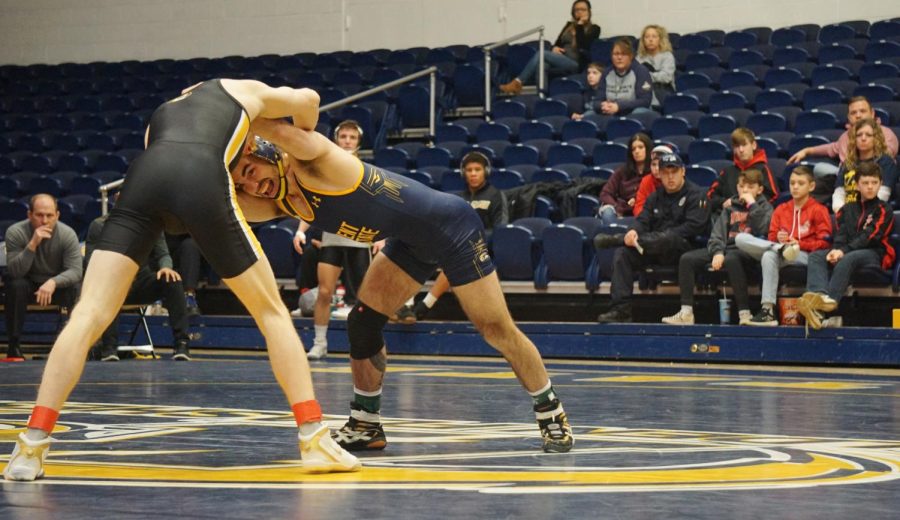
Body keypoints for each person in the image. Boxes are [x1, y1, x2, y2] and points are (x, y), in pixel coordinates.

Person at [3, 79, 361, 482]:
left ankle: (30, 446)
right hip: (199, 175)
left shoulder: (163, 113)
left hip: (142, 178)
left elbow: (172, 198)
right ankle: (313, 436)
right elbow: (309, 100)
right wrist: (300, 138)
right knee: (271, 312)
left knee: (88, 313)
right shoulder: (242, 90)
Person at [229, 117, 574, 455]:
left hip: (453, 228)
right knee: (362, 322)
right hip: (410, 240)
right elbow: (219, 203)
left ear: (264, 152)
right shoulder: (279, 201)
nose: (253, 186)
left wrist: (228, 106)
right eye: (243, 183)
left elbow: (279, 123)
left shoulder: (315, 162)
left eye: (251, 171)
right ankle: (365, 424)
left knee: (496, 329)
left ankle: (551, 412)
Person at [296, 120, 380, 360]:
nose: (347, 141)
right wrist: (301, 230)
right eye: (343, 136)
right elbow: (314, 204)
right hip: (332, 238)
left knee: (364, 299)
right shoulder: (324, 171)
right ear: (336, 139)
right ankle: (320, 342)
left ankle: (365, 345)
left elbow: (376, 207)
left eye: (352, 138)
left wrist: (380, 235)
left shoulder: (366, 170)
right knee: (324, 292)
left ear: (359, 142)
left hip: (359, 240)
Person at [594, 153, 710, 323]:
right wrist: (633, 231)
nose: (670, 177)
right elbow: (642, 220)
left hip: (684, 251)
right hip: (653, 248)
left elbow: (693, 228)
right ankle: (621, 310)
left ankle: (616, 238)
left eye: (674, 172)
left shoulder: (696, 195)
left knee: (669, 237)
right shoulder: (655, 197)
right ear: (659, 174)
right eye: (665, 173)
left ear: (683, 172)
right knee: (623, 253)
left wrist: (656, 237)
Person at [395, 151, 509, 323]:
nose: (473, 173)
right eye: (469, 170)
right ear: (464, 173)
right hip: (450, 245)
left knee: (457, 257)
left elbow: (501, 229)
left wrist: (472, 239)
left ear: (485, 172)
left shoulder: (495, 195)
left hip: (481, 250)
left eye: (477, 169)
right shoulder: (457, 198)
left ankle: (424, 306)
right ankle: (407, 305)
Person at [662, 169, 773, 325]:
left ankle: (744, 313)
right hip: (725, 249)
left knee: (732, 258)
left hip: (748, 253)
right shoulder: (730, 207)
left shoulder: (765, 207)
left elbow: (763, 229)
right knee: (687, 259)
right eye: (742, 187)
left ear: (760, 189)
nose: (745, 190)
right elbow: (717, 234)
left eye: (750, 187)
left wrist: (752, 205)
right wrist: (717, 252)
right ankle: (686, 312)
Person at [797, 162, 895, 330]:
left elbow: (870, 236)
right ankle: (818, 297)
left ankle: (827, 305)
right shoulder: (846, 209)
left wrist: (843, 251)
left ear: (880, 184)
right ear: (857, 185)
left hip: (874, 253)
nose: (870, 187)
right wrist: (836, 250)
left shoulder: (884, 209)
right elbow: (841, 234)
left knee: (849, 257)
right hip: (847, 251)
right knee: (817, 256)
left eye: (874, 183)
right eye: (865, 183)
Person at [734, 166, 832, 326]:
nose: (795, 187)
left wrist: (799, 243)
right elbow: (771, 236)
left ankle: (767, 311)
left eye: (800, 183)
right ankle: (768, 312)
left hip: (804, 255)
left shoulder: (819, 210)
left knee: (769, 254)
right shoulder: (781, 209)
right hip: (781, 251)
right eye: (792, 183)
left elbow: (825, 243)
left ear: (811, 186)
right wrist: (778, 240)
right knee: (741, 239)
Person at [86, 215, 191, 362]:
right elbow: (90, 262)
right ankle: (109, 348)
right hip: (112, 282)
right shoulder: (99, 225)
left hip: (140, 281)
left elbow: (163, 254)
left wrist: (166, 267)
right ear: (117, 199)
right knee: (110, 287)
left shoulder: (151, 223)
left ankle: (182, 344)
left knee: (172, 279)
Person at [3, 194, 82, 362]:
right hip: (28, 283)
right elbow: (16, 271)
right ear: (29, 215)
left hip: (55, 285)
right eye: (39, 215)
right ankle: (14, 344)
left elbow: (75, 271)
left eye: (49, 215)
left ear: (57, 215)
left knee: (75, 287)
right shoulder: (16, 232)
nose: (44, 221)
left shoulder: (67, 234)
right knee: (15, 284)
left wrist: (54, 281)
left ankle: (73, 344)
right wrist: (32, 244)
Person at [499, 0, 600, 94]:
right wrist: (554, 48)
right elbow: (557, 43)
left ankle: (518, 82)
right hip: (561, 59)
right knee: (542, 64)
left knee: (541, 54)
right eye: (577, 10)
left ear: (589, 12)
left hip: (576, 63)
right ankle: (542, 95)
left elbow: (584, 46)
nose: (579, 12)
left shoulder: (594, 29)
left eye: (583, 9)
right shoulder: (569, 26)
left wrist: (580, 26)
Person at [787, 96, 899, 181]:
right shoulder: (845, 137)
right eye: (853, 113)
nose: (858, 115)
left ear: (872, 113)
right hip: (846, 185)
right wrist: (807, 151)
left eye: (862, 111)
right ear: (849, 117)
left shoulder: (886, 134)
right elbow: (831, 148)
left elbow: (885, 161)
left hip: (875, 183)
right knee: (818, 172)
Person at [831, 117, 897, 213]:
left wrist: (859, 214)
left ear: (876, 138)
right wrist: (842, 213)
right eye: (859, 135)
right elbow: (839, 193)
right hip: (847, 213)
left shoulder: (885, 162)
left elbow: (883, 194)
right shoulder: (848, 163)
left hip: (874, 214)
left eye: (869, 135)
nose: (863, 138)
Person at [707, 127, 779, 216]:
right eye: (737, 146)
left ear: (753, 145)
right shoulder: (727, 172)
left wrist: (742, 204)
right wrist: (724, 202)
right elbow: (710, 196)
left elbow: (773, 198)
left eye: (744, 145)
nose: (741, 150)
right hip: (727, 221)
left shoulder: (764, 169)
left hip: (756, 220)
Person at [585, 37, 653, 123]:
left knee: (639, 113)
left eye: (624, 54)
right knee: (588, 115)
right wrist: (602, 105)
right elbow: (597, 100)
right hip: (611, 111)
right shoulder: (607, 73)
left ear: (631, 56)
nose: (619, 57)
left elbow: (645, 101)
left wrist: (619, 106)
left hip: (633, 111)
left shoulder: (641, 71)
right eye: (616, 54)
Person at [597, 132, 652, 225]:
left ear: (648, 149)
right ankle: (614, 236)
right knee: (607, 212)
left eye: (641, 147)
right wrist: (616, 207)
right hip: (621, 211)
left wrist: (637, 199)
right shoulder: (622, 171)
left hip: (644, 211)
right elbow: (605, 194)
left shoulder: (654, 172)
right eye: (633, 149)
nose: (637, 151)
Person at [636, 24, 676, 108]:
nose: (650, 39)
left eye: (654, 36)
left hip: (663, 90)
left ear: (660, 39)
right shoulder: (639, 58)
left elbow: (666, 77)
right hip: (645, 91)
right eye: (647, 37)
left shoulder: (667, 56)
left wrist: (646, 76)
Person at [165, 233, 204, 315]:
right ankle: (153, 300)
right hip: (159, 243)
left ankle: (189, 297)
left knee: (191, 244)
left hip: (181, 248)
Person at [633, 144, 674, 216]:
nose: (656, 168)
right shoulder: (646, 181)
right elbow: (638, 207)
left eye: (660, 164)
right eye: (653, 164)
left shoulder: (676, 180)